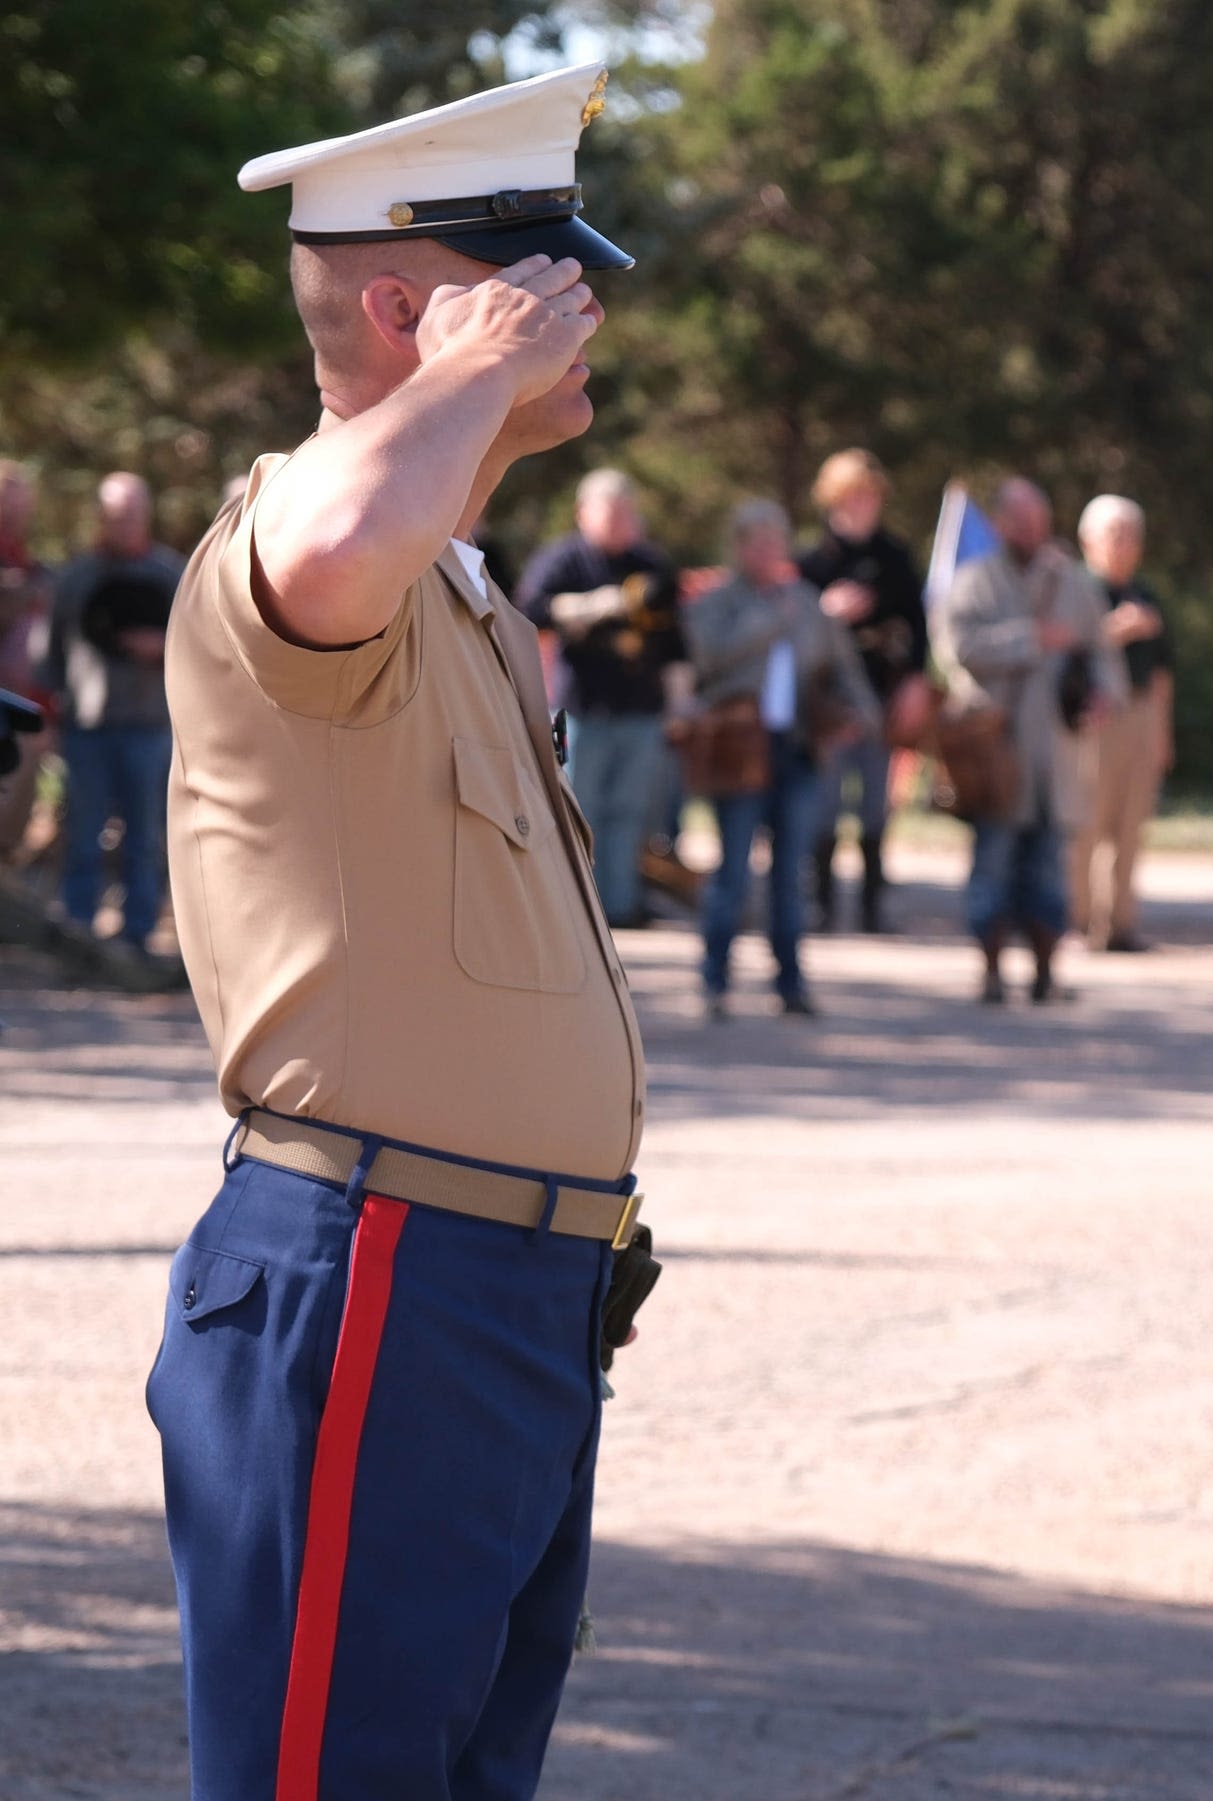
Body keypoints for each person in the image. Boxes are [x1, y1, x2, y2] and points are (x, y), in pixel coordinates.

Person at [154, 66, 655, 1801]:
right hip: (375, 1274)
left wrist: (479, 369)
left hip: (504, 1295)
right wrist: (475, 370)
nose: (578, 314)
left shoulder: (457, 585)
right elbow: (345, 524)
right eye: (535, 284)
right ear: (407, 308)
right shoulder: (303, 524)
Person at [687, 498, 879, 1016]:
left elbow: (843, 667)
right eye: (757, 542)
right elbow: (709, 655)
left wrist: (860, 714)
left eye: (776, 541)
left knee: (790, 874)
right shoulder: (718, 602)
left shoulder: (807, 603)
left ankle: (790, 984)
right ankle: (715, 981)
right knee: (731, 872)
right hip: (738, 750)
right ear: (739, 547)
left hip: (796, 753)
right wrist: (772, 619)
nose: (769, 552)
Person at [934, 476, 1121, 1002]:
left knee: (1047, 869)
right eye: (1022, 521)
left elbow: (1101, 651)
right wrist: (1029, 640)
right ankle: (991, 972)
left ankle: (1045, 972)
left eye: (1040, 521)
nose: (1033, 531)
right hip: (996, 755)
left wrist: (1103, 695)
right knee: (992, 863)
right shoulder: (974, 582)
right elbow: (958, 650)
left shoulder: (1072, 584)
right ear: (1001, 524)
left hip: (1056, 756)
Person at [517, 468, 687, 925]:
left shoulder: (651, 564)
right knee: (578, 808)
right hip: (581, 710)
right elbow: (529, 610)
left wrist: (679, 706)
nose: (617, 521)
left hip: (641, 710)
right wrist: (603, 603)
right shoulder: (564, 560)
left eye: (625, 512)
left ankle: (620, 904)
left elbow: (676, 643)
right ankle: (573, 907)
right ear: (582, 513)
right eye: (608, 512)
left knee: (630, 814)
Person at [45, 472, 185, 948]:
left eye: (131, 514)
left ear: (145, 515)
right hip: (87, 727)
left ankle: (138, 935)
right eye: (114, 515)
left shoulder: (171, 574)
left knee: (144, 839)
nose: (123, 524)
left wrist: (163, 646)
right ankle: (79, 932)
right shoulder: (78, 577)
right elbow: (53, 652)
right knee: (82, 833)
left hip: (151, 727)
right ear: (101, 518)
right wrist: (47, 716)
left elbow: (207, 648)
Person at [799, 448, 929, 934]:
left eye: (870, 496)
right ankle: (822, 904)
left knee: (876, 804)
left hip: (882, 694)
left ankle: (873, 906)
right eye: (853, 495)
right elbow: (792, 632)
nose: (863, 505)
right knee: (825, 805)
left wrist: (915, 681)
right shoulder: (812, 562)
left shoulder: (895, 558)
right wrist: (825, 611)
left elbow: (918, 628)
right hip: (829, 701)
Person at [1075, 494, 1170, 952]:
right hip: (1095, 716)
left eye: (1131, 535)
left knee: (1131, 823)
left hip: (1141, 713)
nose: (1124, 544)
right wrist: (1115, 629)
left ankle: (1122, 923)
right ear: (1088, 540)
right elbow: (1066, 649)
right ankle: (1080, 922)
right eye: (1114, 534)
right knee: (1089, 821)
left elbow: (1162, 672)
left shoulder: (1147, 594)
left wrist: (1162, 734)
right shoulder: (1076, 590)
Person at [0, 460, 53, 865]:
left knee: (13, 811)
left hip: (21, 706)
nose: (15, 514)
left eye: (20, 505)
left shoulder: (26, 559)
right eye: (7, 503)